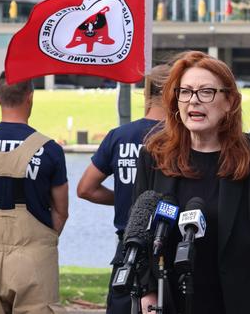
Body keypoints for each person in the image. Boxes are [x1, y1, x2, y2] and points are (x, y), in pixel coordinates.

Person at [134, 51, 250, 314]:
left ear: (229, 101)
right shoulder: (153, 156)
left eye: (206, 92)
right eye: (185, 92)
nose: (194, 101)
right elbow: (140, 241)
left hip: (244, 304)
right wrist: (149, 301)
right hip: (172, 305)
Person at [0, 72, 69, 313]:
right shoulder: (49, 149)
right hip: (35, 259)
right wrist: (41, 241)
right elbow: (61, 211)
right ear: (30, 97)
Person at [77, 65, 169, 314]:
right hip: (166, 248)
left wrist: (126, 199)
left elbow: (85, 188)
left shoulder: (119, 136)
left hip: (126, 247)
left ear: (145, 92)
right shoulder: (181, 137)